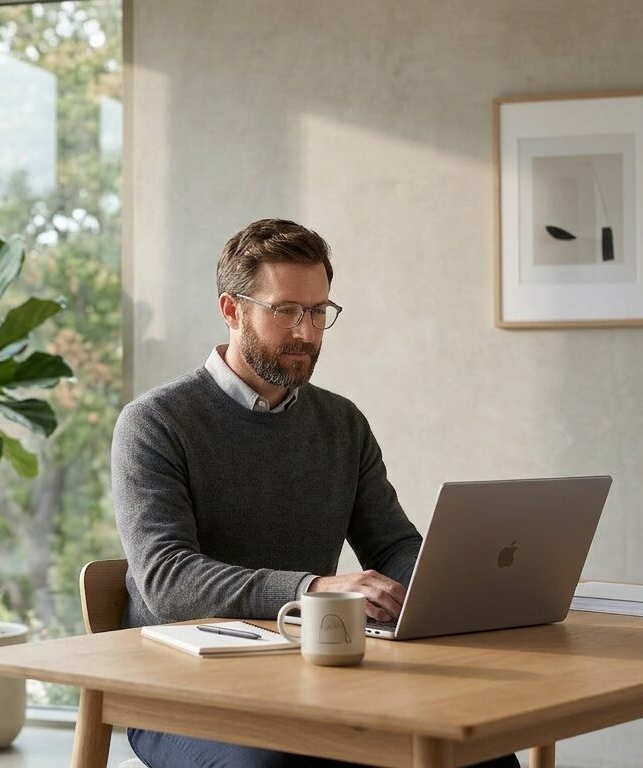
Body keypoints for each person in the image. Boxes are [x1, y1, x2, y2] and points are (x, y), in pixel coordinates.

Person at [111, 218, 520, 768]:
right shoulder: (155, 422)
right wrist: (315, 588)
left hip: (308, 676)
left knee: (477, 750)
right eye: (286, 311)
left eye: (319, 311)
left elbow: (392, 543)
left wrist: (445, 584)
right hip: (177, 690)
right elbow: (168, 580)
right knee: (280, 765)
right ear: (232, 310)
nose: (306, 331)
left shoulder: (342, 423)